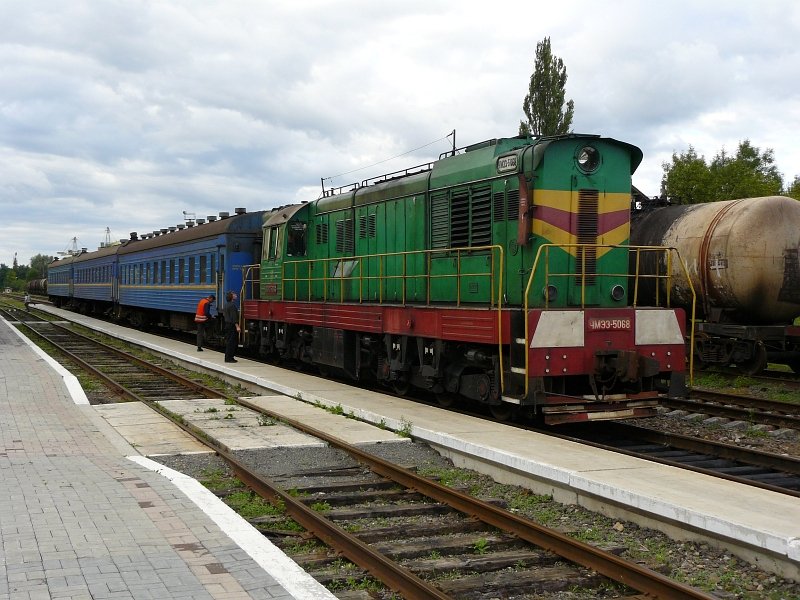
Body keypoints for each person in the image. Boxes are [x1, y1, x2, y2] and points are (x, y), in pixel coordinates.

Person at [222, 290, 240, 363]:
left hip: (227, 324)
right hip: (232, 326)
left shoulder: (226, 305)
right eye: (234, 294)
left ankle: (228, 357)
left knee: (229, 342)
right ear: (231, 297)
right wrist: (237, 326)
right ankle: (229, 358)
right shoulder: (232, 305)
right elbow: (233, 317)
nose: (236, 295)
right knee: (232, 342)